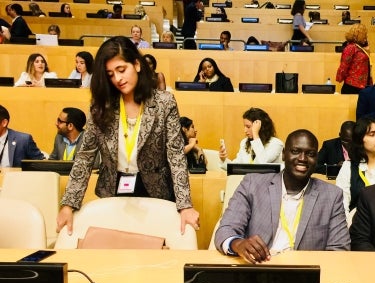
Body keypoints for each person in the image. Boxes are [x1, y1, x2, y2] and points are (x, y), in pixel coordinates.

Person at [56, 36, 199, 235]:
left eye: (121, 70)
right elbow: (85, 157)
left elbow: (175, 155)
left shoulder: (164, 102)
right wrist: (68, 204)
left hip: (155, 190)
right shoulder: (100, 107)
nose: (117, 79)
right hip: (113, 189)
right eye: (110, 74)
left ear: (137, 65)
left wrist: (185, 205)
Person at [214, 129, 350, 262]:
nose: (302, 159)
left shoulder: (332, 195)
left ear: (316, 159)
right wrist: (238, 244)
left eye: (310, 153)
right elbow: (226, 229)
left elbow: (339, 249)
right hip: (259, 269)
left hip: (305, 275)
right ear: (284, 154)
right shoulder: (253, 185)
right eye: (295, 151)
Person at [336, 118, 375, 217]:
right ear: (360, 139)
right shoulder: (349, 167)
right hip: (357, 226)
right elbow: (341, 206)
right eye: (372, 134)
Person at [219, 107, 283, 170]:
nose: (245, 130)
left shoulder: (276, 144)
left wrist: (255, 133)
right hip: (247, 179)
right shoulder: (244, 142)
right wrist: (224, 160)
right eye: (244, 126)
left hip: (266, 180)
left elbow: (262, 163)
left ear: (260, 127)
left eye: (248, 127)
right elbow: (236, 166)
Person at [336, 23, 371, 94]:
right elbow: (344, 66)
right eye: (364, 34)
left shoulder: (360, 47)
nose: (366, 36)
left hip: (363, 86)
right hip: (352, 86)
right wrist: (340, 78)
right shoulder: (351, 48)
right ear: (359, 35)